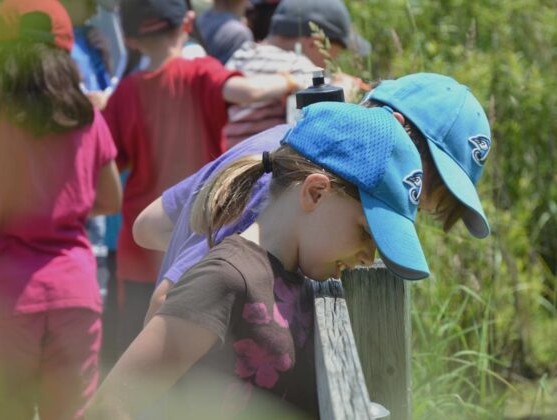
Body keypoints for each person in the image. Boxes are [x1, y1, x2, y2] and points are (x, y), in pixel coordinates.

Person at [86, 102, 429, 419]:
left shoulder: (297, 275)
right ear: (316, 192)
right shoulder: (226, 277)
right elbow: (113, 405)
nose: (368, 258)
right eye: (365, 233)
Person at [135, 72, 492, 322]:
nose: (415, 201)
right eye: (430, 183)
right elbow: (171, 304)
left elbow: (149, 225)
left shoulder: (281, 144)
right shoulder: (278, 187)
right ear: (396, 126)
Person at [0, 1, 122, 418]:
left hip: (2, 296)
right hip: (74, 292)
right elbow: (110, 200)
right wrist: (59, 203)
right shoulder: (87, 116)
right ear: (64, 53)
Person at [104, 0, 310, 356]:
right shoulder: (201, 72)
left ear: (132, 40)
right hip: (201, 232)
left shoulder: (125, 91)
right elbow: (248, 92)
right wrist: (295, 79)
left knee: (135, 353)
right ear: (186, 23)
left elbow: (113, 160)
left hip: (139, 244)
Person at [224, 0, 371, 148]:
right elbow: (321, 125)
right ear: (315, 42)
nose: (334, 59)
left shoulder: (241, 55)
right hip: (263, 163)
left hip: (228, 163)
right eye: (336, 52)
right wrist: (346, 91)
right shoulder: (300, 68)